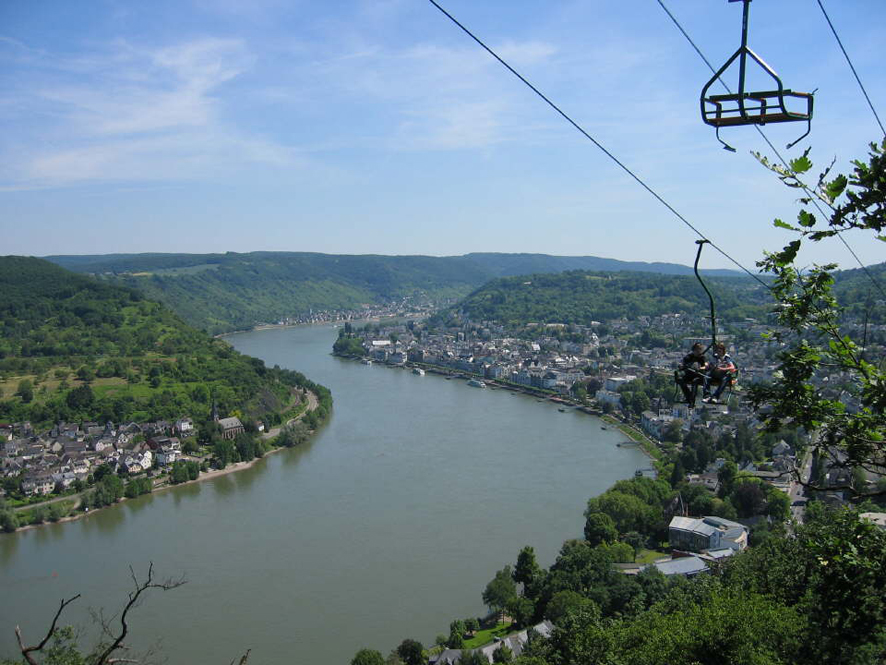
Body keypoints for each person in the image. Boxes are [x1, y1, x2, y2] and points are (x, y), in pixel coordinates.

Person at [676, 342, 708, 408]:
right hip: (689, 375)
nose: (698, 351)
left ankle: (692, 401)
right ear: (693, 350)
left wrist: (700, 368)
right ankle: (689, 397)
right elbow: (682, 364)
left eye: (699, 349)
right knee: (681, 380)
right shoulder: (688, 357)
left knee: (695, 381)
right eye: (696, 350)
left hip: (699, 375)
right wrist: (681, 366)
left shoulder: (702, 357)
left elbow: (705, 366)